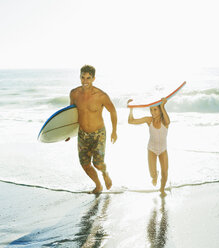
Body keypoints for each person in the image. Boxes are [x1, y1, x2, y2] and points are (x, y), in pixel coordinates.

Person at [66, 65, 117, 194]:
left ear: (94, 78)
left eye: (88, 78)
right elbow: (71, 113)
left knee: (98, 164)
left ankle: (105, 173)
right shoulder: (74, 94)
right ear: (80, 77)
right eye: (83, 77)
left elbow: (112, 111)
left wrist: (114, 131)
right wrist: (67, 132)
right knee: (85, 165)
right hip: (82, 134)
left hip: (98, 133)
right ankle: (98, 185)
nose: (85, 81)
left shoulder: (101, 96)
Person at [127, 98, 170, 196]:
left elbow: (168, 122)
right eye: (151, 110)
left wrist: (163, 106)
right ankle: (155, 176)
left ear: (160, 110)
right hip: (151, 149)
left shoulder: (165, 121)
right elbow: (131, 121)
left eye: (155, 109)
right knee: (152, 174)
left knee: (165, 172)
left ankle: (162, 189)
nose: (152, 112)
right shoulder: (149, 120)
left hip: (163, 150)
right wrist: (131, 109)